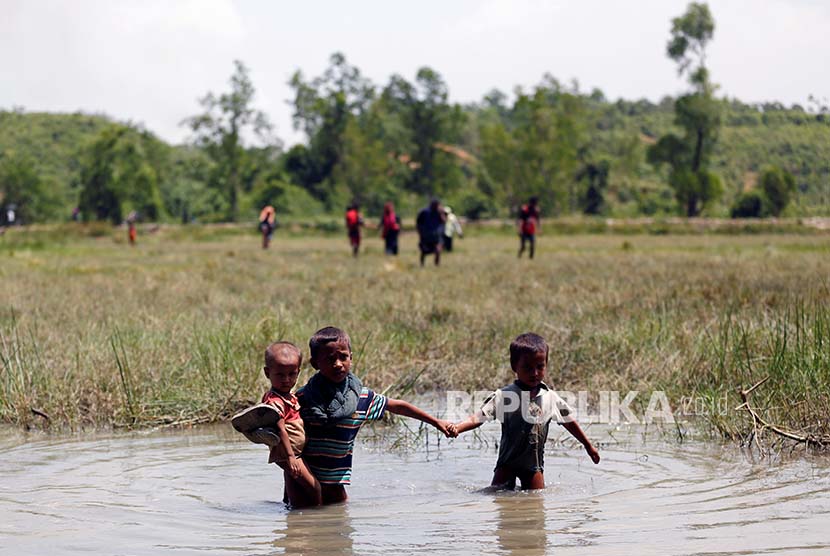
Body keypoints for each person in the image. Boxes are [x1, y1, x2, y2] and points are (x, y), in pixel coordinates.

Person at [297, 326, 454, 505]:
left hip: (336, 486)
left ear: (351, 357)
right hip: (303, 483)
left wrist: (436, 422)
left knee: (338, 523)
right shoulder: (305, 398)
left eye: (343, 357)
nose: (338, 364)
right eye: (330, 359)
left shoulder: (362, 398)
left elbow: (399, 407)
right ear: (315, 363)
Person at [452, 332, 600, 490]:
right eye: (527, 367)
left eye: (540, 367)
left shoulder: (550, 397)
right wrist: (458, 427)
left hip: (533, 465)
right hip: (507, 463)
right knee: (496, 495)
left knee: (536, 502)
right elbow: (478, 417)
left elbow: (569, 422)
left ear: (546, 365)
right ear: (514, 366)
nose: (534, 373)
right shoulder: (505, 396)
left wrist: (588, 445)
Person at [232, 342, 322, 508]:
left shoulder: (289, 396)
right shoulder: (275, 401)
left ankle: (289, 507)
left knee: (293, 486)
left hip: (295, 453)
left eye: (291, 374)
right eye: (280, 375)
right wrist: (290, 457)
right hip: (288, 454)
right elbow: (281, 429)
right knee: (315, 488)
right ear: (267, 373)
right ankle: (318, 518)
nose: (286, 380)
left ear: (298, 372)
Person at [416, 199, 446, 267]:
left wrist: (441, 213)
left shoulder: (439, 212)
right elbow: (419, 223)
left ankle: (436, 265)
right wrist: (420, 232)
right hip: (427, 235)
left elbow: (443, 221)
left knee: (438, 250)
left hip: (436, 236)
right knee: (424, 251)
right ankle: (422, 264)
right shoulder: (424, 212)